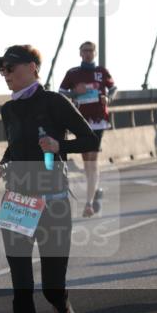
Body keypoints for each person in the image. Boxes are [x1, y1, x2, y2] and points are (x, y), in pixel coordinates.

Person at [0, 45, 98, 313]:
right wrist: (1, 164)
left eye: (10, 67)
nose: (5, 73)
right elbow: (15, 145)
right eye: (1, 69)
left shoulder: (54, 102)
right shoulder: (8, 109)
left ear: (33, 68)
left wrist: (58, 147)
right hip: (17, 200)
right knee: (21, 288)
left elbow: (89, 138)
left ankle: (63, 309)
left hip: (53, 202)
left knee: (52, 287)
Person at [58, 41, 117, 217]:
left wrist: (108, 97)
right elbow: (61, 91)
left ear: (95, 53)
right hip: (80, 120)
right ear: (80, 53)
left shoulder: (101, 72)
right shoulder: (73, 73)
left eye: (91, 50)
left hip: (99, 119)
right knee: (87, 162)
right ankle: (96, 189)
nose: (88, 53)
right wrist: (75, 93)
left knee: (92, 159)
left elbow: (113, 87)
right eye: (85, 50)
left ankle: (89, 203)